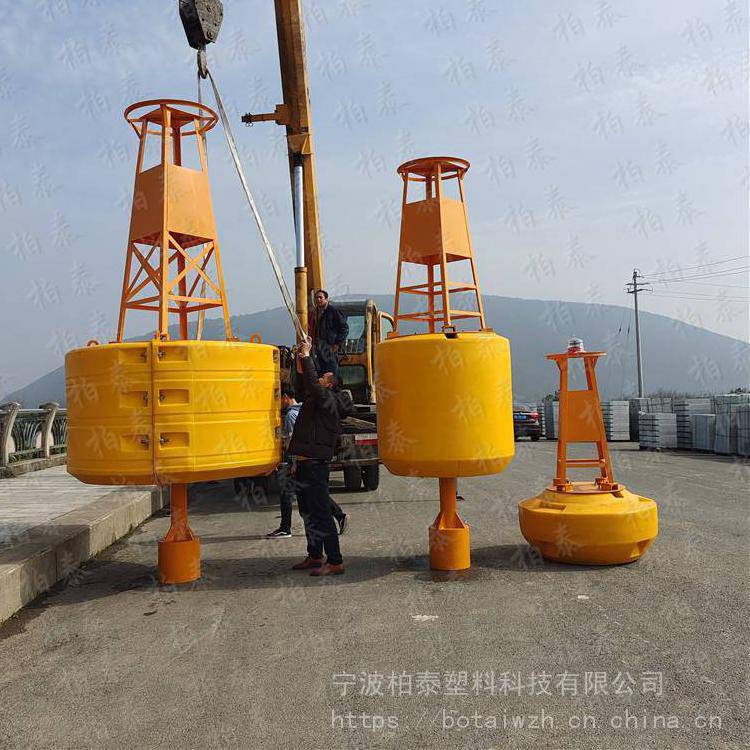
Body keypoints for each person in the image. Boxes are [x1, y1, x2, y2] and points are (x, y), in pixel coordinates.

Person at [288, 337, 355, 576]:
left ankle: (335, 560)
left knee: (321, 513)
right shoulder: (316, 400)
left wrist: (307, 356)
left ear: (330, 384)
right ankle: (315, 554)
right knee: (307, 512)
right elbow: (303, 386)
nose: (319, 378)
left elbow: (312, 386)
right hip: (305, 461)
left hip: (316, 464)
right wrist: (300, 360)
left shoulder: (329, 400)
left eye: (323, 377)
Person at [266, 385, 348, 538]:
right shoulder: (303, 409)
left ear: (285, 397)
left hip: (295, 461)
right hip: (306, 460)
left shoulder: (291, 415)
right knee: (313, 492)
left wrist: (294, 463)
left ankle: (286, 528)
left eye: (278, 398)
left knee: (288, 493)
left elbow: (294, 441)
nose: (277, 403)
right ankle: (338, 515)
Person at [308, 289, 349, 377]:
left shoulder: (333, 311)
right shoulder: (314, 313)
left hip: (330, 349)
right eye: (316, 298)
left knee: (331, 375)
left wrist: (337, 344)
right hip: (318, 349)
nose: (318, 299)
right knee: (320, 375)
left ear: (326, 299)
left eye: (320, 297)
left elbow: (344, 328)